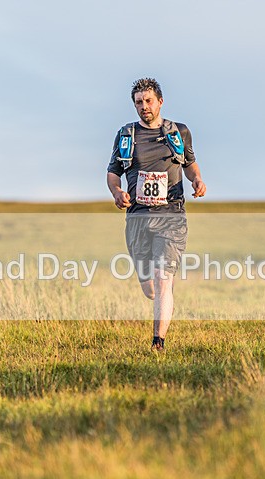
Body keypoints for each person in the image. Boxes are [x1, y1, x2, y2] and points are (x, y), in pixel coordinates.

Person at [106, 78, 207, 351]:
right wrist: (117, 192)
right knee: (149, 286)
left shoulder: (179, 132)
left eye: (148, 101)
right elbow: (113, 172)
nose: (144, 107)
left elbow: (190, 164)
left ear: (160, 101)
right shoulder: (126, 135)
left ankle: (158, 342)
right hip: (138, 218)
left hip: (172, 215)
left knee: (163, 278)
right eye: (138, 102)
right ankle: (161, 295)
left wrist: (196, 180)